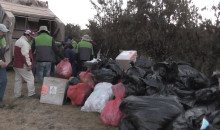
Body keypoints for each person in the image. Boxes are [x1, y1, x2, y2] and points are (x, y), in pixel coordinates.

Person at [13, 29, 39, 98]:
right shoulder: (25, 43)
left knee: (18, 80)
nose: (31, 39)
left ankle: (17, 94)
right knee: (30, 78)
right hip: (22, 65)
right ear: (27, 35)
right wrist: (29, 65)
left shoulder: (18, 41)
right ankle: (31, 93)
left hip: (16, 64)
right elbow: (25, 55)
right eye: (31, 37)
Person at [0, 24, 9, 107]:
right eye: (3, 32)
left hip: (1, 64)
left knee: (4, 81)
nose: (4, 33)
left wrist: (4, 60)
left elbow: (3, 52)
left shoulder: (3, 39)